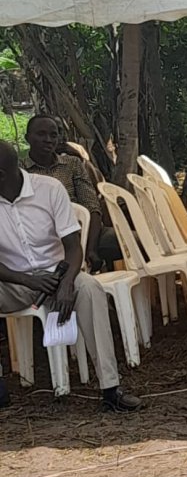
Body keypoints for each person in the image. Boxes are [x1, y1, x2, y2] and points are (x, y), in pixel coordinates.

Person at [0, 141, 140, 412]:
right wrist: (26, 280)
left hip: (60, 273)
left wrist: (65, 285)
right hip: (15, 281)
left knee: (89, 290)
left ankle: (110, 388)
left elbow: (74, 246)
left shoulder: (48, 189)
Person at [24, 115, 105, 271]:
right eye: (41, 134)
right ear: (28, 138)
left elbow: (92, 206)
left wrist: (91, 248)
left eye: (53, 135)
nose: (48, 139)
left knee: (125, 242)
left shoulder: (72, 164)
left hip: (83, 231)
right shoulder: (20, 171)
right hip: (43, 239)